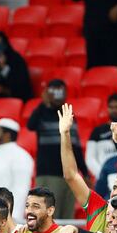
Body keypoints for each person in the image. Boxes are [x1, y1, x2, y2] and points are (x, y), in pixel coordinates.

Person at [27, 79, 87, 219]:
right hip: (48, 173)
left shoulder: (69, 116)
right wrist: (44, 103)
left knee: (66, 217)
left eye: (60, 91)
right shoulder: (42, 113)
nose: (57, 95)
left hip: (69, 174)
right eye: (53, 91)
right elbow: (31, 125)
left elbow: (75, 147)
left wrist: (84, 172)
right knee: (48, 216)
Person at [86, 93, 117, 180]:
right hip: (103, 177)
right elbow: (90, 158)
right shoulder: (97, 131)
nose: (114, 110)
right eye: (111, 107)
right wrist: (103, 175)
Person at [0, 31, 32, 102]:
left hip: (15, 94)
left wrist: (4, 67)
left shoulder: (15, 59)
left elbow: (19, 83)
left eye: (1, 44)